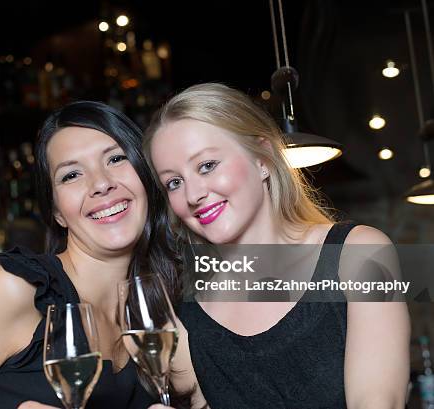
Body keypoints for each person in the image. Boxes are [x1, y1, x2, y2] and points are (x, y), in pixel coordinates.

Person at [0, 101, 204, 409]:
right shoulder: (15, 291)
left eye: (116, 159)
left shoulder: (159, 302)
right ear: (57, 212)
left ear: (147, 178)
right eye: (71, 175)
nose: (101, 184)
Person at [143, 83, 410, 408]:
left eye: (207, 165)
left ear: (263, 160)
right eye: (174, 182)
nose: (192, 194)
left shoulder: (358, 254)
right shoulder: (188, 324)